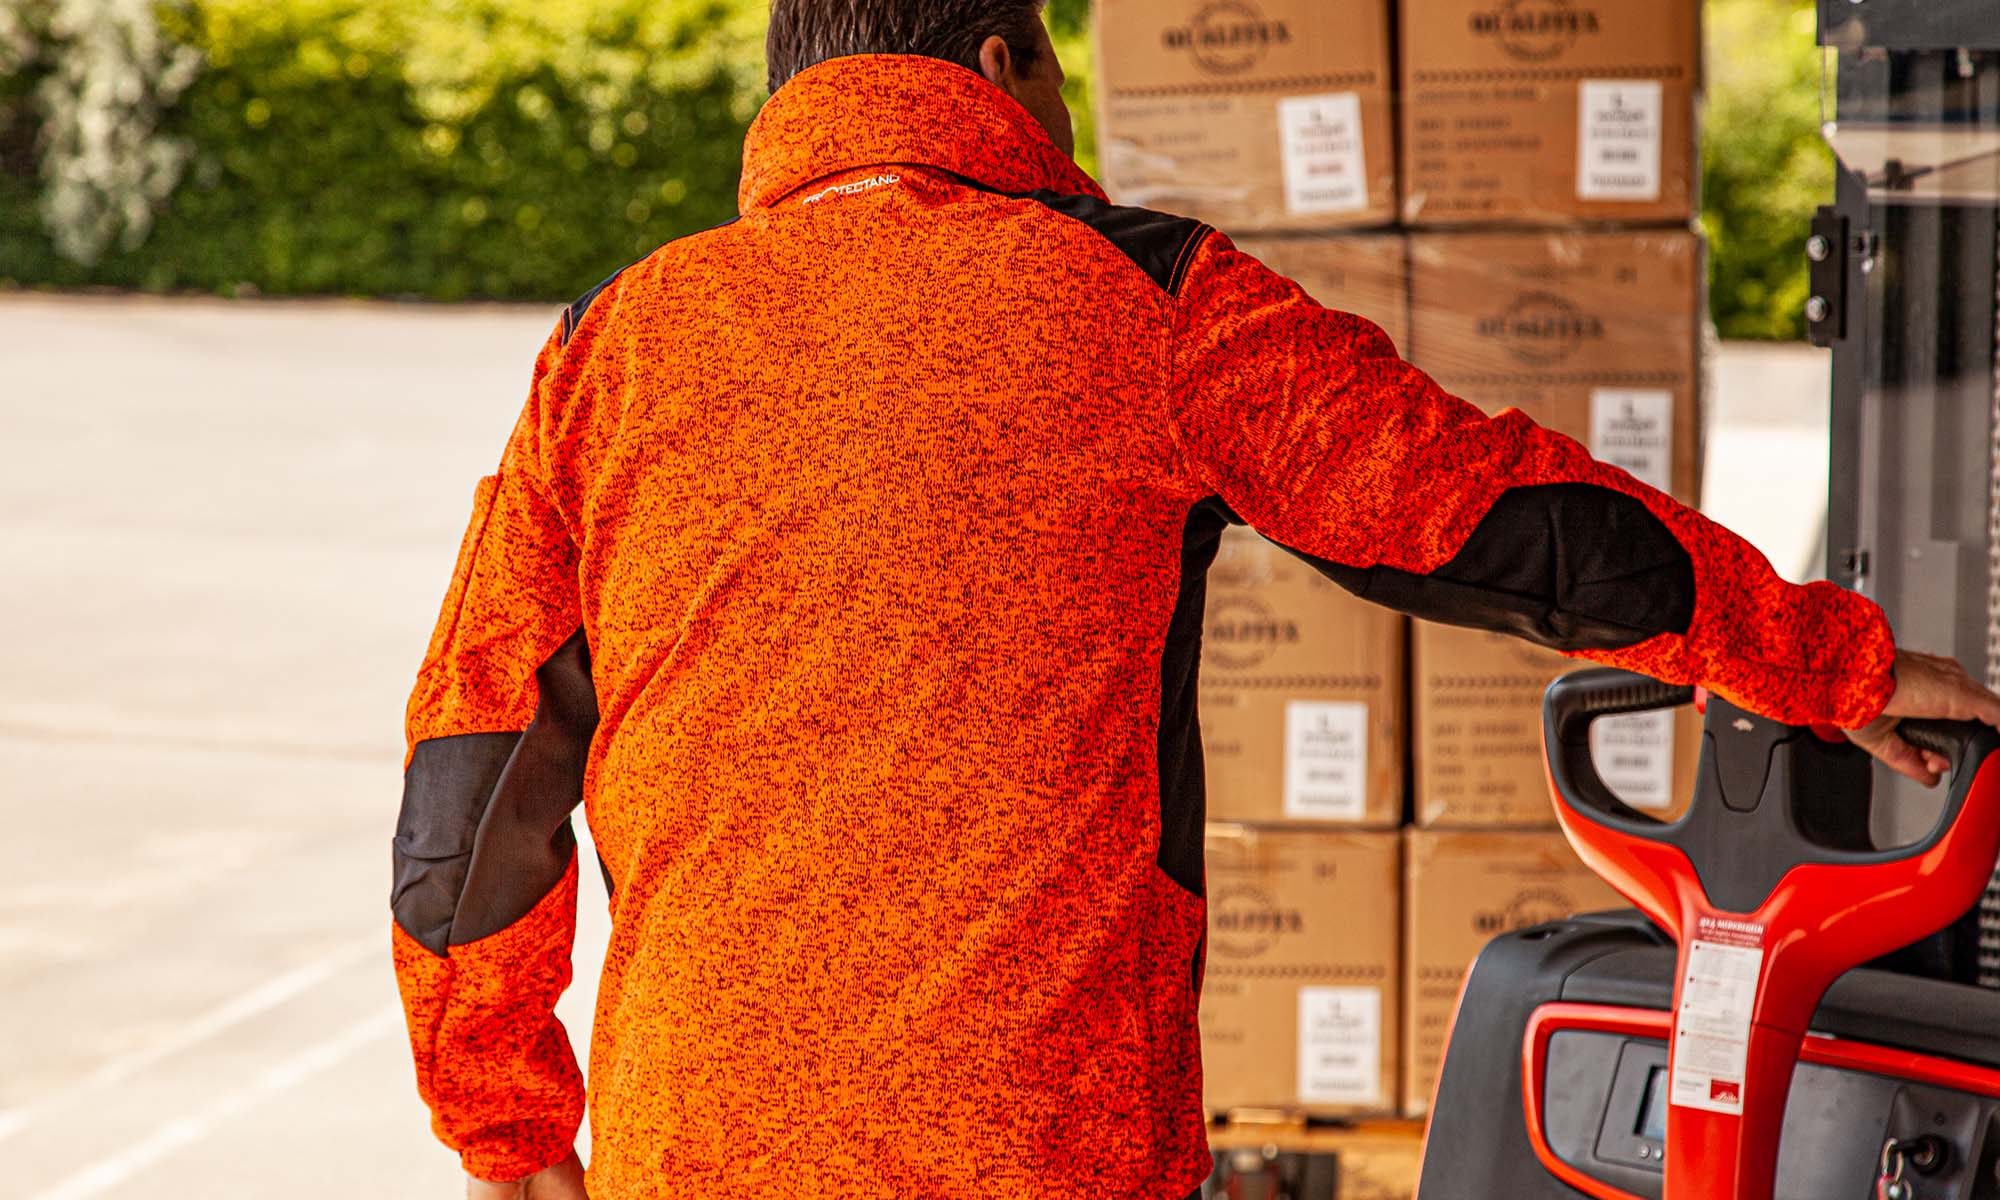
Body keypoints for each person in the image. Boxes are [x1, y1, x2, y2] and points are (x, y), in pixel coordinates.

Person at [387, 3, 2000, 1197]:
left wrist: (507, 1127)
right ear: (1005, 65)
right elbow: (1487, 516)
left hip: (699, 1141)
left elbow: (475, 770)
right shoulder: (1141, 294)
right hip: (1046, 1139)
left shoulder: (616, 342)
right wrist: (1826, 662)